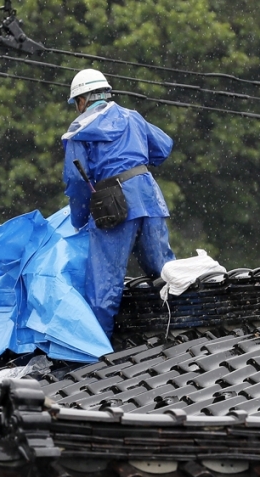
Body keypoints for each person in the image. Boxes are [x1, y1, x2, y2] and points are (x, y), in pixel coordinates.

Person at [62, 68, 176, 338]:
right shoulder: (132, 117)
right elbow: (164, 146)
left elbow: (77, 182)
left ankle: (95, 353)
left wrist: (78, 219)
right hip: (149, 197)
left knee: (104, 285)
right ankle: (183, 332)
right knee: (166, 273)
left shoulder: (79, 130)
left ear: (82, 100)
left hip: (112, 205)